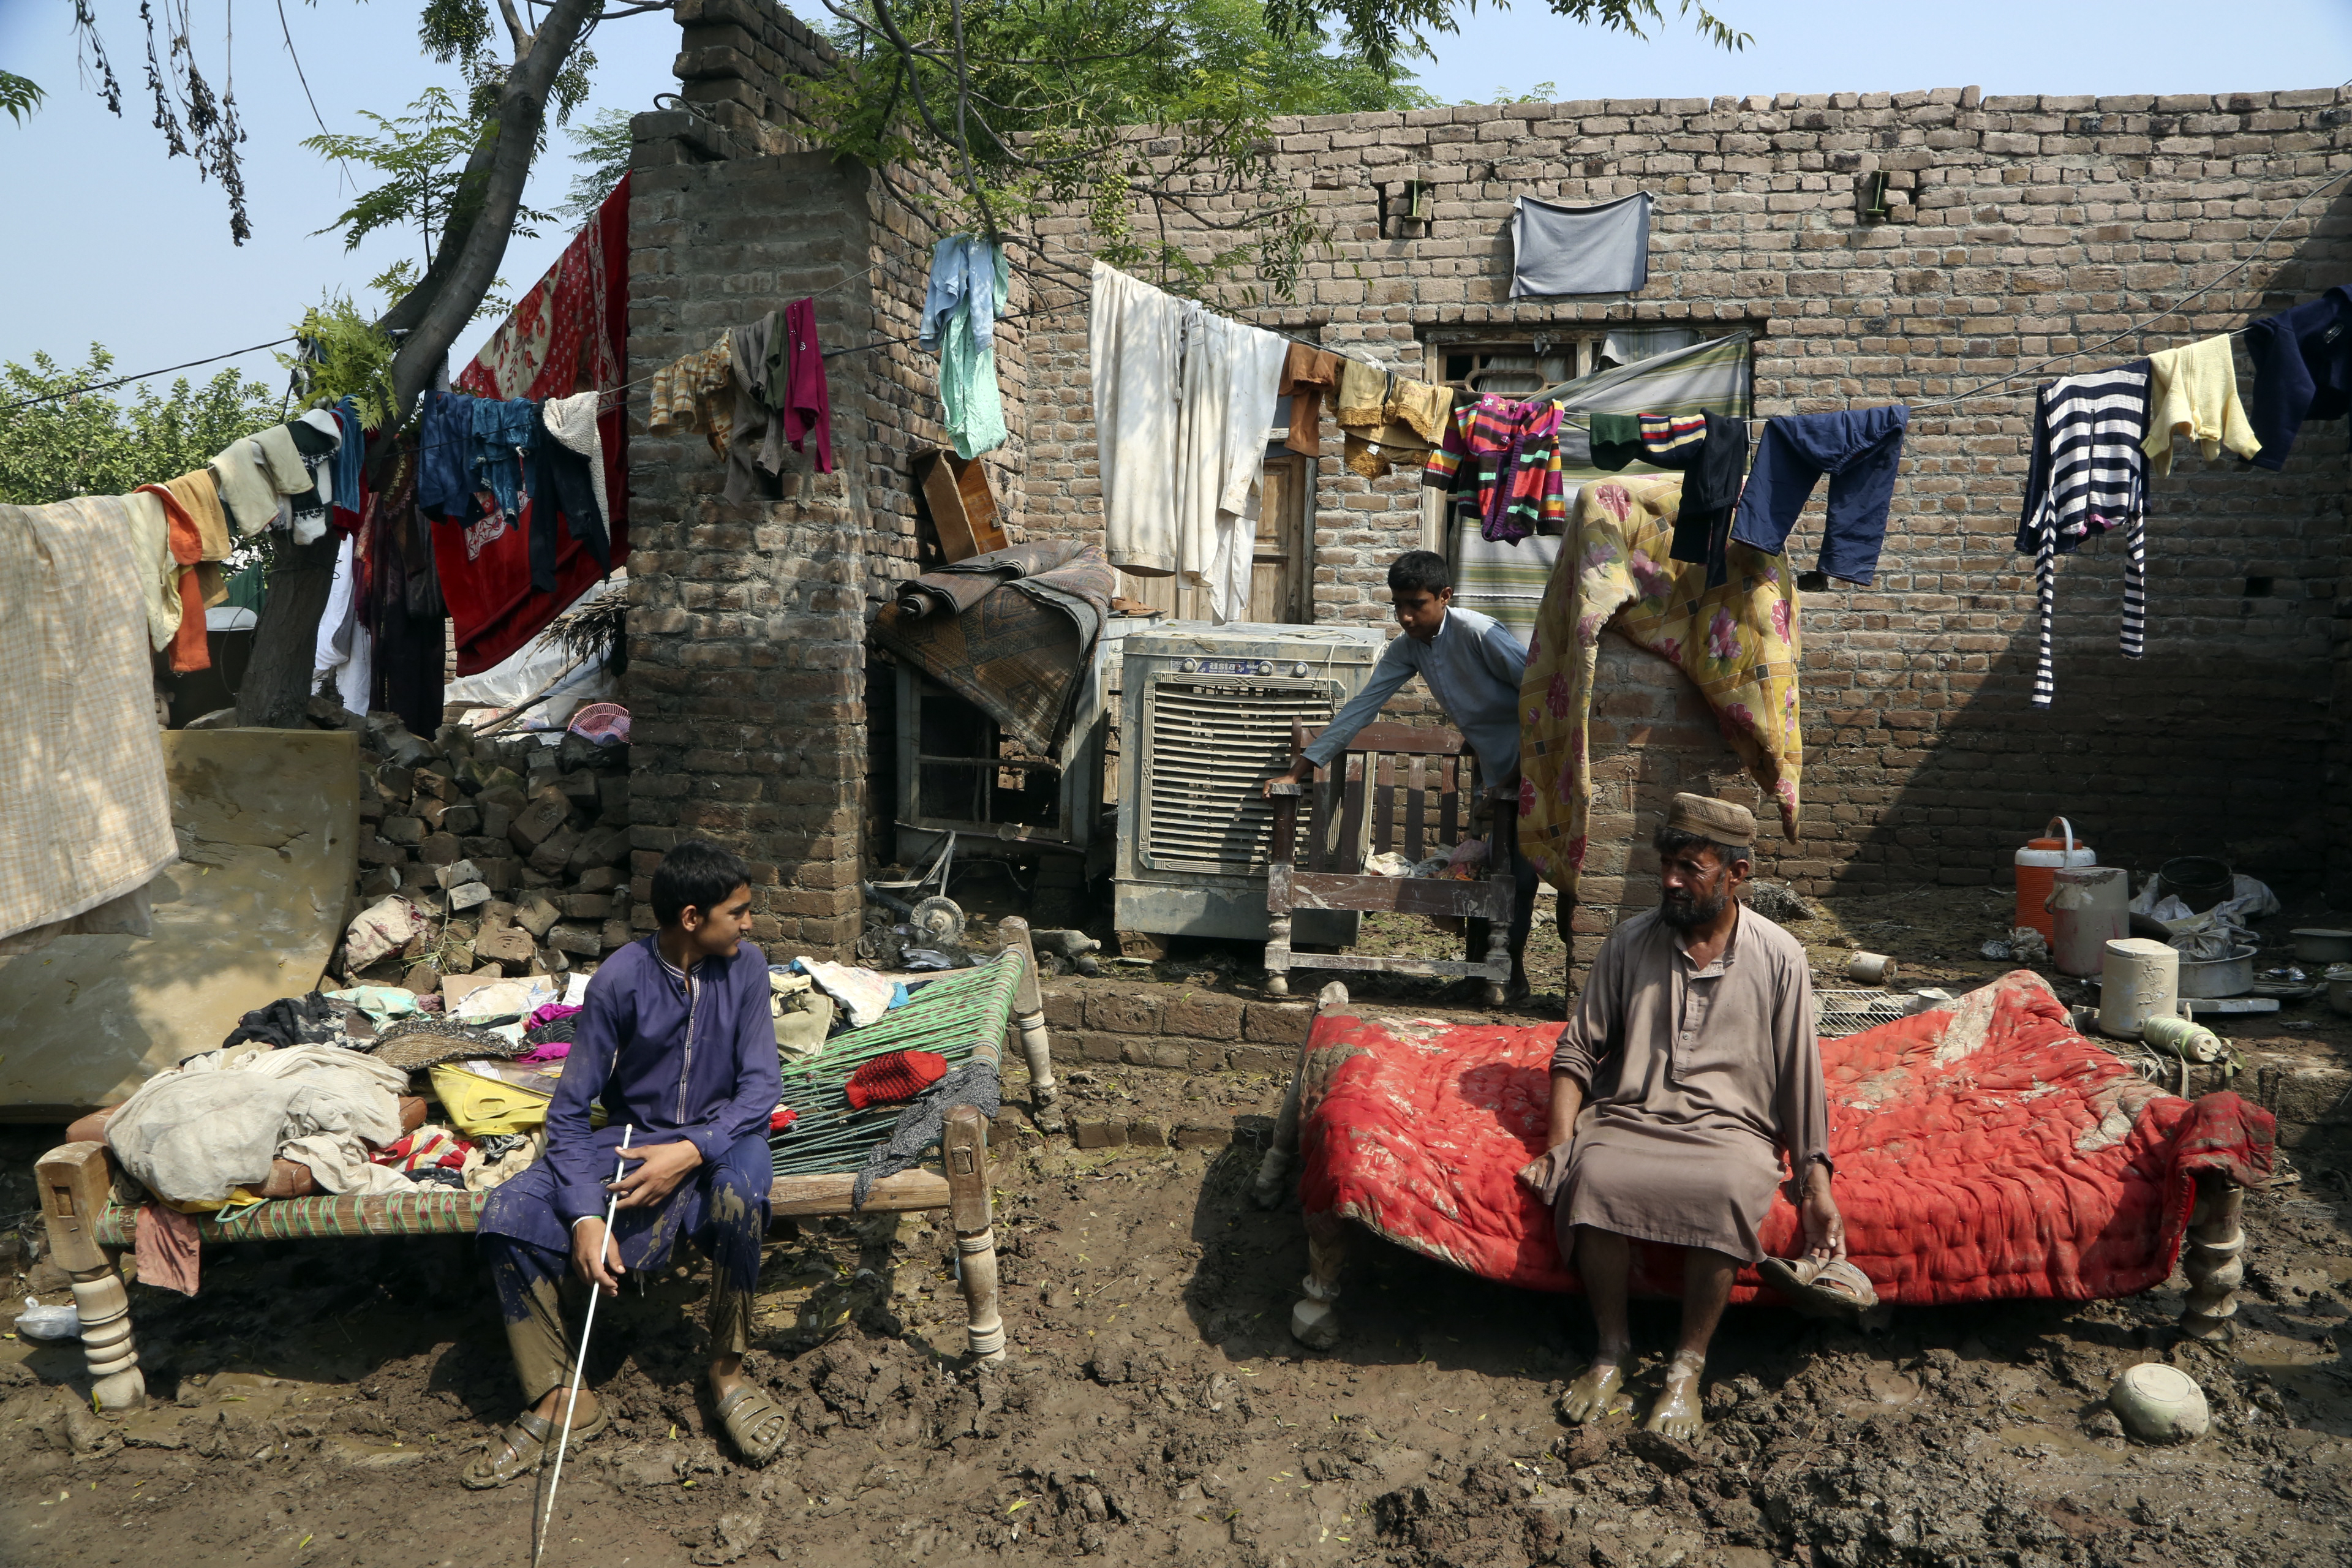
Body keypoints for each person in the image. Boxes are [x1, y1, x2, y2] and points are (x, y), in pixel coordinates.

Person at [463, 839, 786, 1487]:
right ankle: (564, 1399)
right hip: (635, 1135)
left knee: (737, 1197)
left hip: (724, 1136)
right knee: (507, 1213)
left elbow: (762, 1088)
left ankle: (727, 1373)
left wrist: (693, 1149)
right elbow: (569, 1109)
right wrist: (584, 1213)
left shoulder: (746, 968)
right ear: (692, 917)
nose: (749, 923)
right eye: (739, 911)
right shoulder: (619, 979)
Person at [1528, 793, 1842, 1441]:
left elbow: (1801, 1081)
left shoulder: (1781, 957)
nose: (1670, 880)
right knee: (1594, 1177)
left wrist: (1816, 1182)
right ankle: (1611, 1349)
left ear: (1737, 874)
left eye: (1689, 867)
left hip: (1733, 1132)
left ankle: (1686, 1368)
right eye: (1666, 864)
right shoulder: (1631, 942)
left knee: (1726, 1187)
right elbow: (1577, 1051)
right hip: (1631, 1117)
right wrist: (1559, 1147)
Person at [1263, 549, 1537, 999]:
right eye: (1399, 606)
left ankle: (1513, 980)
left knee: (1523, 876)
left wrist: (1513, 778)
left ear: (1445, 596)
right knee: (1484, 869)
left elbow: (1541, 699)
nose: (1406, 617)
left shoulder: (1479, 632)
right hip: (1496, 773)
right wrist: (1298, 772)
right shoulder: (1410, 647)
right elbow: (1361, 709)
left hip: (1535, 766)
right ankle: (1480, 979)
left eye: (1417, 604)